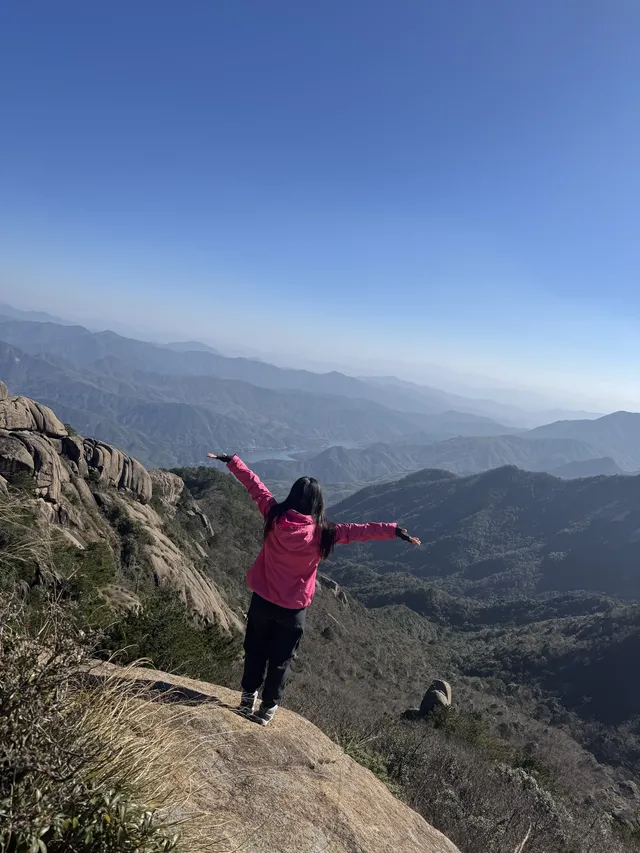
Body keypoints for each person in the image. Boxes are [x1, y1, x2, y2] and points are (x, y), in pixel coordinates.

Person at [207, 452, 421, 726]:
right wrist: (394, 531)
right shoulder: (324, 532)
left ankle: (248, 699)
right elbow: (359, 531)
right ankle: (268, 710)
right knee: (281, 659)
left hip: (262, 600)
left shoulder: (273, 516)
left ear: (293, 496)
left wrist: (232, 461)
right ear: (317, 503)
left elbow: (255, 487)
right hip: (293, 609)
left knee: (256, 650)